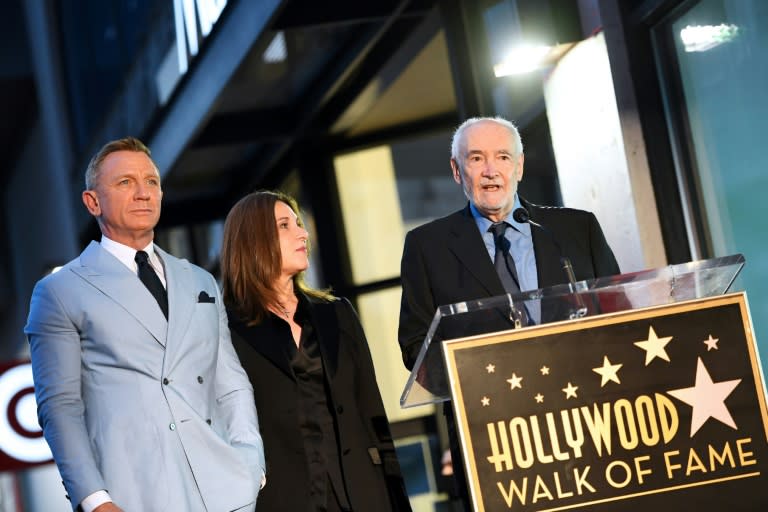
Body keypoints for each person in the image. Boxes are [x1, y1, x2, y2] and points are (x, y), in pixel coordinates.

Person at [25, 137, 265, 512]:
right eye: (125, 183)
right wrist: (95, 500)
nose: (142, 193)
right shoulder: (60, 291)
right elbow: (60, 407)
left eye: (151, 182)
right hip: (133, 496)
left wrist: (251, 462)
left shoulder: (199, 281)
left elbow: (230, 382)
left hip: (225, 490)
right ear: (92, 202)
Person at [398, 116, 620, 509]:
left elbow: (619, 317)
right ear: (456, 170)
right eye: (476, 158)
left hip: (587, 422)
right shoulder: (426, 247)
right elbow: (415, 346)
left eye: (502, 157)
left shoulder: (574, 230)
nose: (489, 171)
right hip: (494, 438)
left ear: (519, 166)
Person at [220, 190, 412, 512]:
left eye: (299, 223)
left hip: (364, 495)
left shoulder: (337, 313)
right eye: (285, 225)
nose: (303, 233)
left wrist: (397, 499)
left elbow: (371, 412)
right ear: (253, 241)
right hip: (283, 500)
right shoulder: (225, 330)